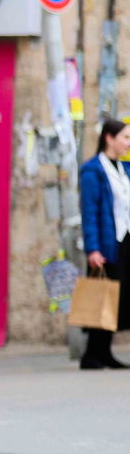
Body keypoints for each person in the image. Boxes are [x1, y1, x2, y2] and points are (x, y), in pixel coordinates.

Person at [77, 119, 130, 369]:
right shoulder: (93, 170)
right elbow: (90, 211)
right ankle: (92, 354)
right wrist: (93, 248)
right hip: (106, 243)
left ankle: (104, 352)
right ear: (109, 138)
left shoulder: (123, 169)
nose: (128, 143)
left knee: (116, 298)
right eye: (125, 137)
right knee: (101, 297)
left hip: (124, 241)